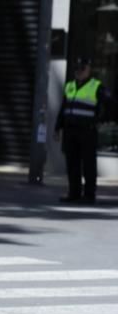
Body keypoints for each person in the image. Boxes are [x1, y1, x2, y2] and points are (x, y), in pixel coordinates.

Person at [55, 57, 109, 204]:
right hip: (70, 131)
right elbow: (63, 108)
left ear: (88, 70)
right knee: (72, 163)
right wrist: (57, 127)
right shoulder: (70, 86)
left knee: (88, 164)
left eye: (82, 69)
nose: (78, 72)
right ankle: (74, 193)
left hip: (87, 131)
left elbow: (108, 107)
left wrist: (98, 121)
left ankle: (89, 195)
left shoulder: (96, 86)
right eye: (77, 69)